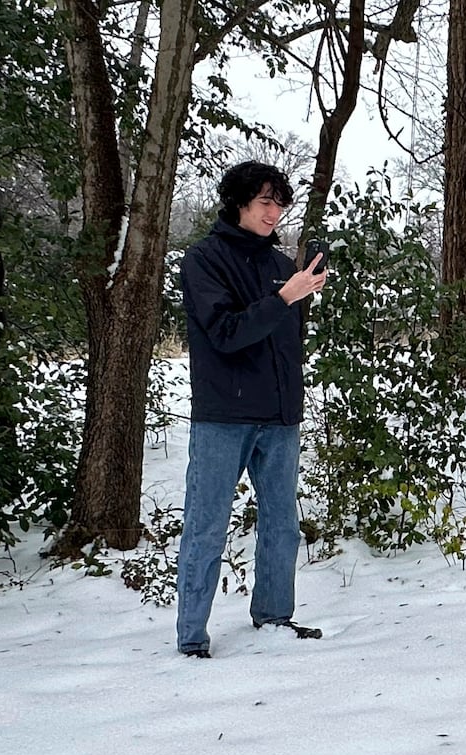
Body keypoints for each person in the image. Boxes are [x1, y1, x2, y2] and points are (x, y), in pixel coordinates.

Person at [174, 161, 328, 658]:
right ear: (238, 202)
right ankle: (192, 637)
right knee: (207, 522)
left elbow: (286, 344)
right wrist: (284, 298)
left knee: (282, 522)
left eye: (280, 202)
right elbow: (225, 333)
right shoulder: (203, 261)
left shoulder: (284, 268)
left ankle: (275, 617)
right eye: (265, 201)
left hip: (280, 416)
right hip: (223, 416)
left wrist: (292, 293)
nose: (275, 211)